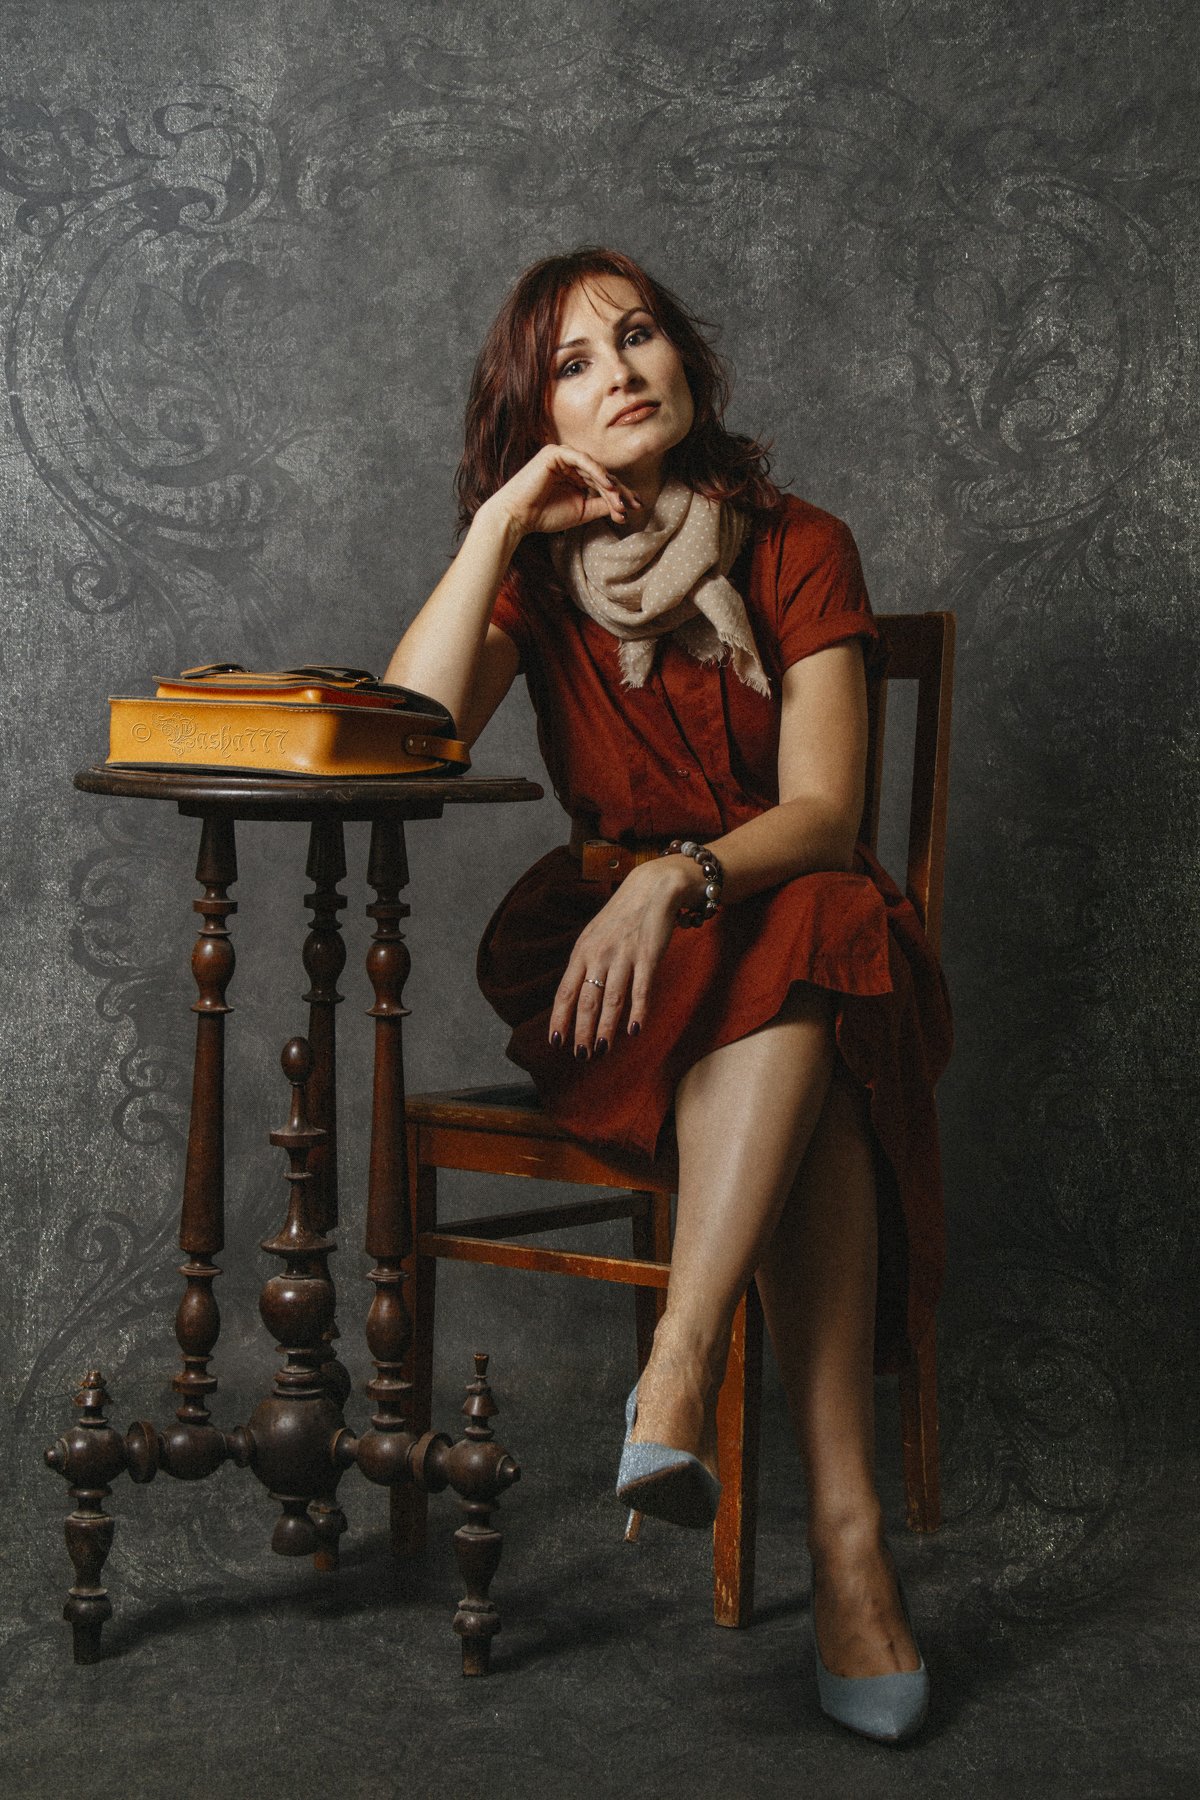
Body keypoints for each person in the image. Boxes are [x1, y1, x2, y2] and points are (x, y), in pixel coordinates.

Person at [385, 247, 952, 1743]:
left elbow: (823, 814)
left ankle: (680, 1364)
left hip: (763, 915)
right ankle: (848, 1546)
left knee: (818, 924)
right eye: (572, 365)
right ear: (538, 416)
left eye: (637, 337)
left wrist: (674, 880)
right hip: (610, 978)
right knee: (813, 1018)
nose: (621, 371)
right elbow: (409, 738)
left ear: (686, 359)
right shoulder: (537, 577)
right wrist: (501, 520)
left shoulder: (799, 543)